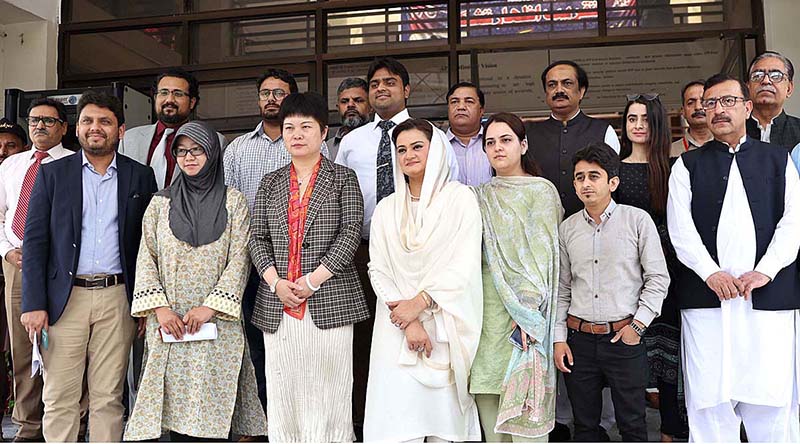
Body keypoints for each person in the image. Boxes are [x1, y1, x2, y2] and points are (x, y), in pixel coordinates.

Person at [667, 73, 800, 442]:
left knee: (772, 404)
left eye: (727, 101)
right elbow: (681, 231)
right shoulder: (686, 166)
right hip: (707, 302)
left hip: (767, 300)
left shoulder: (778, 160)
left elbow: (794, 222)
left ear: (746, 107)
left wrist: (766, 272)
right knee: (709, 405)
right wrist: (710, 273)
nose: (718, 110)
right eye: (710, 104)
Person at [20, 90, 158, 442]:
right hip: (64, 300)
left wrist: (144, 303)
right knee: (60, 396)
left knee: (108, 398)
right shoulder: (52, 174)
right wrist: (33, 304)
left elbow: (148, 245)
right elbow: (35, 243)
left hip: (118, 299)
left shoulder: (140, 177)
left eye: (105, 121)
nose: (95, 128)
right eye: (88, 121)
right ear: (76, 129)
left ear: (121, 130)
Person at [335, 57, 459, 439]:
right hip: (361, 250)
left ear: (407, 89)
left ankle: (429, 419)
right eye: (374, 84)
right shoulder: (352, 141)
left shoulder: (431, 136)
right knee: (365, 338)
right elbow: (337, 191)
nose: (380, 89)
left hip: (422, 249)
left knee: (426, 331)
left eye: (389, 82)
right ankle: (367, 417)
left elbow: (446, 183)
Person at [123, 121, 267, 441]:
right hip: (171, 322)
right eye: (182, 151)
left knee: (213, 408)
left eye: (197, 150)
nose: (189, 158)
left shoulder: (234, 202)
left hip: (217, 324)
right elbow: (146, 257)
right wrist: (160, 309)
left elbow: (240, 259)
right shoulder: (160, 203)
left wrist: (210, 307)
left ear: (213, 154)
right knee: (174, 409)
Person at [248, 92, 369, 442]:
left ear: (323, 131)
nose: (296, 134)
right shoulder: (270, 182)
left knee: (330, 388)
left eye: (305, 126)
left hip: (329, 298)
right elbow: (257, 238)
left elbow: (349, 235)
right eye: (289, 127)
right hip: (278, 302)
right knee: (283, 387)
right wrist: (275, 283)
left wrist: (312, 281)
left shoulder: (343, 178)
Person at [364, 118, 482, 442]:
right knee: (398, 420)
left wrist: (420, 304)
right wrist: (408, 320)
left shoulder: (461, 200)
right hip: (396, 329)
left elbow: (464, 264)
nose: (409, 155)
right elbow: (379, 269)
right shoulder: (386, 209)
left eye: (417, 146)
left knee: (444, 425)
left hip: (446, 327)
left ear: (438, 151)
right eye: (401, 149)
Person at [224, 68, 328, 428]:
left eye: (279, 93)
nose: (271, 98)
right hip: (254, 265)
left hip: (307, 269)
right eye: (265, 92)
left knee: (305, 353)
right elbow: (230, 208)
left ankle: (304, 425)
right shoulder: (238, 148)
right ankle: (262, 425)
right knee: (257, 348)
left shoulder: (314, 143)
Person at [554, 142, 669, 442]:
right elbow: (563, 289)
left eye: (594, 176)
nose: (585, 183)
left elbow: (658, 278)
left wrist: (637, 326)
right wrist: (558, 339)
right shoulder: (567, 229)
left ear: (613, 182)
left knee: (632, 424)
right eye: (579, 177)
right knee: (586, 426)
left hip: (624, 338)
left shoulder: (637, 220)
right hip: (579, 340)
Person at [470, 112, 562, 442]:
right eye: (490, 142)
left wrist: (527, 314)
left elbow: (543, 259)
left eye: (506, 140)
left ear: (523, 145)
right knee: (489, 401)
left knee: (527, 414)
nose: (497, 148)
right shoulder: (478, 196)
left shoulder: (541, 191)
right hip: (486, 311)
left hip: (528, 314)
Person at [614, 94, 688, 441]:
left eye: (645, 119)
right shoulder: (613, 169)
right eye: (632, 119)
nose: (638, 126)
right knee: (630, 357)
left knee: (670, 356)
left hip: (669, 272)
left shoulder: (675, 168)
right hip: (626, 273)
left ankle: (672, 431)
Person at [0, 100, 72, 442]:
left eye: (48, 120)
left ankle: (71, 420)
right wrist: (8, 251)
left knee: (63, 344)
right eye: (34, 120)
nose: (40, 126)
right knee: (22, 347)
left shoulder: (74, 164)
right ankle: (28, 426)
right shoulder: (12, 165)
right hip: (16, 263)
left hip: (59, 266)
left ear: (63, 127)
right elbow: (0, 215)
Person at [527, 60, 621, 217]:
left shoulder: (603, 131)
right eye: (552, 85)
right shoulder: (530, 135)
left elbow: (615, 185)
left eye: (567, 83)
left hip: (591, 227)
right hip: (542, 226)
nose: (559, 90)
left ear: (581, 91)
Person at [120, 69, 225, 190]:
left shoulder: (215, 141)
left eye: (178, 94)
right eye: (163, 93)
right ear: (155, 98)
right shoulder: (129, 139)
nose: (169, 99)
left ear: (192, 102)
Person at [746, 51, 799, 151]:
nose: (766, 81)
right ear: (748, 87)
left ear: (789, 89)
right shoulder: (734, 133)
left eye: (776, 76)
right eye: (757, 76)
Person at [447, 81, 492, 186]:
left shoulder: (494, 143)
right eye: (454, 102)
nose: (461, 107)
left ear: (481, 111)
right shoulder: (437, 145)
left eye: (469, 101)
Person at [327, 77, 371, 161]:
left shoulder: (380, 139)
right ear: (338, 108)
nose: (350, 105)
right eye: (344, 101)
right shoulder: (328, 148)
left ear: (371, 107)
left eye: (358, 100)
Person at [670, 81, 713, 157]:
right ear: (683, 111)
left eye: (703, 101)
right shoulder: (670, 152)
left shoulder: (728, 147)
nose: (698, 107)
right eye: (691, 103)